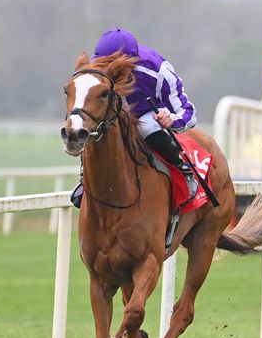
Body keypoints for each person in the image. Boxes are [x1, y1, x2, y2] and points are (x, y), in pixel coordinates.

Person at [71, 28, 198, 207]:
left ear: (132, 62)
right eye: (105, 64)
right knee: (92, 127)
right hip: (113, 115)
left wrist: (171, 119)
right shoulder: (96, 71)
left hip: (145, 114)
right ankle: (85, 180)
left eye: (117, 67)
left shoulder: (159, 69)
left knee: (146, 127)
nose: (111, 71)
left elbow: (188, 113)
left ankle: (183, 170)